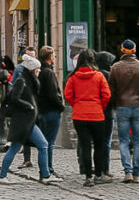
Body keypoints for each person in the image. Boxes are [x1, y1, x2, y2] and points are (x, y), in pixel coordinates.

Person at [0, 56, 62, 185]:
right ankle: (3, 176)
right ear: (32, 70)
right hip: (23, 121)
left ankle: (44, 175)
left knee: (40, 145)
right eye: (37, 70)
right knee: (18, 148)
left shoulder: (30, 81)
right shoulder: (22, 80)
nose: (38, 72)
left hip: (29, 121)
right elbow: (14, 98)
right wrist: (29, 106)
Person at [64, 48, 111, 187]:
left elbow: (68, 95)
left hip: (80, 115)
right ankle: (98, 174)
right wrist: (100, 106)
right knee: (99, 146)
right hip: (97, 115)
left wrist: (77, 104)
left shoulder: (73, 77)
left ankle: (88, 176)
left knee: (85, 146)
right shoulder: (99, 76)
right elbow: (107, 95)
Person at [108, 39, 139, 183]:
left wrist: (114, 104)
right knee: (138, 141)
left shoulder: (115, 67)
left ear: (122, 50)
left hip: (122, 107)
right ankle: (136, 173)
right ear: (134, 50)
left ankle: (127, 171)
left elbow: (111, 89)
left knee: (124, 140)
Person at [36, 46, 64, 180]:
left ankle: (44, 170)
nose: (55, 58)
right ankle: (48, 170)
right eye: (53, 55)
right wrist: (61, 106)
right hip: (51, 111)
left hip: (42, 110)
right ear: (50, 57)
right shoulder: (49, 73)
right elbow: (53, 94)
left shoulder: (40, 71)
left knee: (44, 142)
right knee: (48, 143)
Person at [94, 51, 116, 181]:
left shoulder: (96, 74)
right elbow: (110, 94)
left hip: (98, 111)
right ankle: (104, 169)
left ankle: (101, 169)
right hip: (107, 112)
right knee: (106, 142)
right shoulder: (107, 75)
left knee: (99, 142)